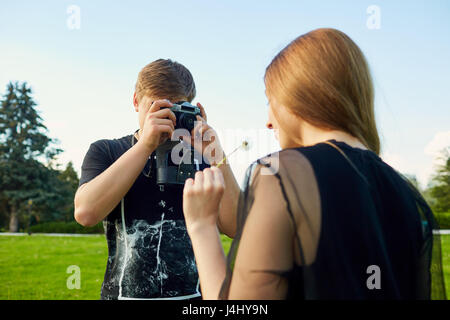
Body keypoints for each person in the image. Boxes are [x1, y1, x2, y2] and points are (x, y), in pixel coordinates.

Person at [182, 28, 446, 300]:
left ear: (299, 96)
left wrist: (201, 226)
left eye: (270, 101)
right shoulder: (403, 192)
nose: (269, 121)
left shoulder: (283, 175)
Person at [74, 59, 240, 300]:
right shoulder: (107, 151)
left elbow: (234, 226)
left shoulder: (202, 156)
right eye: (158, 106)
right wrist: (146, 145)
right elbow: (85, 213)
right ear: (135, 102)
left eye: (177, 108)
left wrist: (216, 155)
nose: (168, 116)